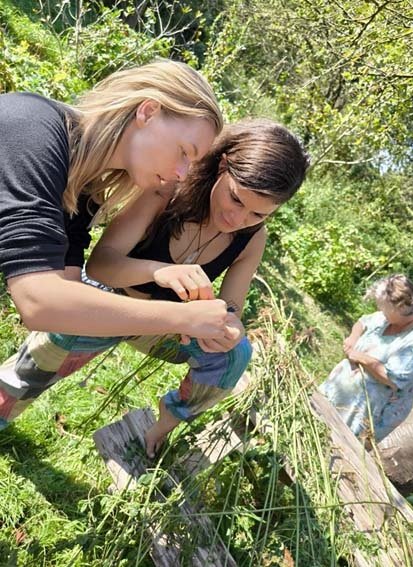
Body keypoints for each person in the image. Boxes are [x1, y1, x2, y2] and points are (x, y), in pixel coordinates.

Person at [0, 120, 309, 455]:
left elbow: (232, 306)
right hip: (109, 305)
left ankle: (160, 427)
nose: (238, 218)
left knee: (235, 355)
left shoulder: (253, 238)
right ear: (222, 166)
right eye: (235, 199)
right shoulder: (167, 191)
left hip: (168, 330)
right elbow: (100, 265)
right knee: (29, 373)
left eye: (257, 214)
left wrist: (230, 326)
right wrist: (159, 271)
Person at [0, 58, 227, 344]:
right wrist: (182, 318)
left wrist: (179, 317)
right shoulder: (33, 127)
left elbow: (65, 301)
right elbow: (38, 301)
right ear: (148, 112)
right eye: (184, 152)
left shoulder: (84, 190)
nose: (181, 175)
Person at [319, 274, 413, 444]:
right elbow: (363, 322)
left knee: (330, 448)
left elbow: (392, 378)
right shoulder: (385, 317)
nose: (379, 310)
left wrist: (359, 356)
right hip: (335, 394)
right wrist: (353, 338)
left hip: (363, 413)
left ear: (397, 308)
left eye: (382, 307)